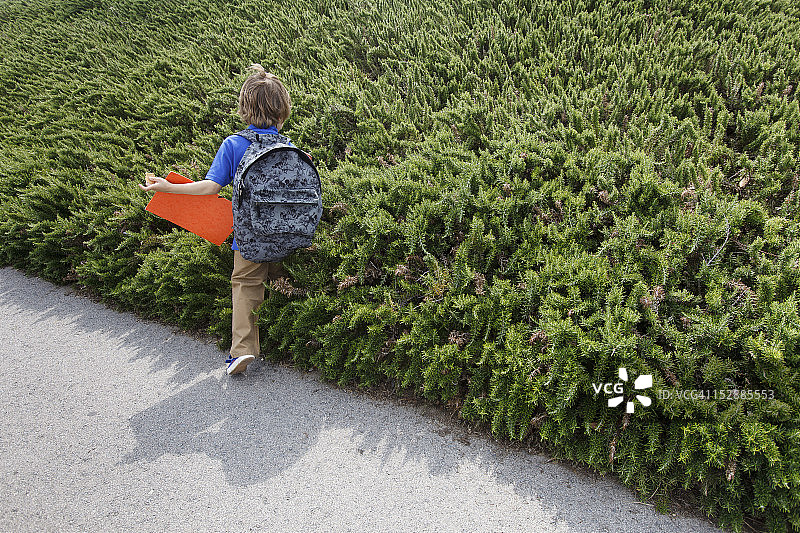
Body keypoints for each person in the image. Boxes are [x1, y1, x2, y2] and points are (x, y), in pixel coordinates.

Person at [140, 64, 294, 376]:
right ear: (282, 110)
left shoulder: (234, 144)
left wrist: (170, 186)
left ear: (244, 108)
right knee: (282, 280)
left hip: (249, 235)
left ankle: (242, 351)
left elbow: (211, 187)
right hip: (286, 232)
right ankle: (288, 335)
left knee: (246, 283)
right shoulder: (288, 146)